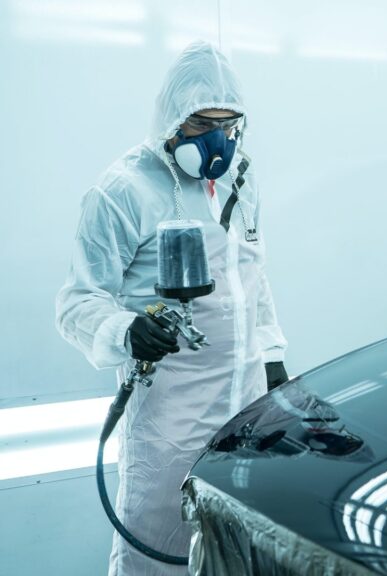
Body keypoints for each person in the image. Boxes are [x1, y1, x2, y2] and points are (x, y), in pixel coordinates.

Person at [55, 41, 289, 575]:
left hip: (246, 406)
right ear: (172, 118)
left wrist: (273, 362)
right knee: (158, 551)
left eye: (227, 126)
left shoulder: (238, 179)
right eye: (202, 124)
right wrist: (125, 329)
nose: (217, 141)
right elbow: (77, 302)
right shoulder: (123, 190)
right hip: (169, 420)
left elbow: (252, 277)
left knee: (237, 549)